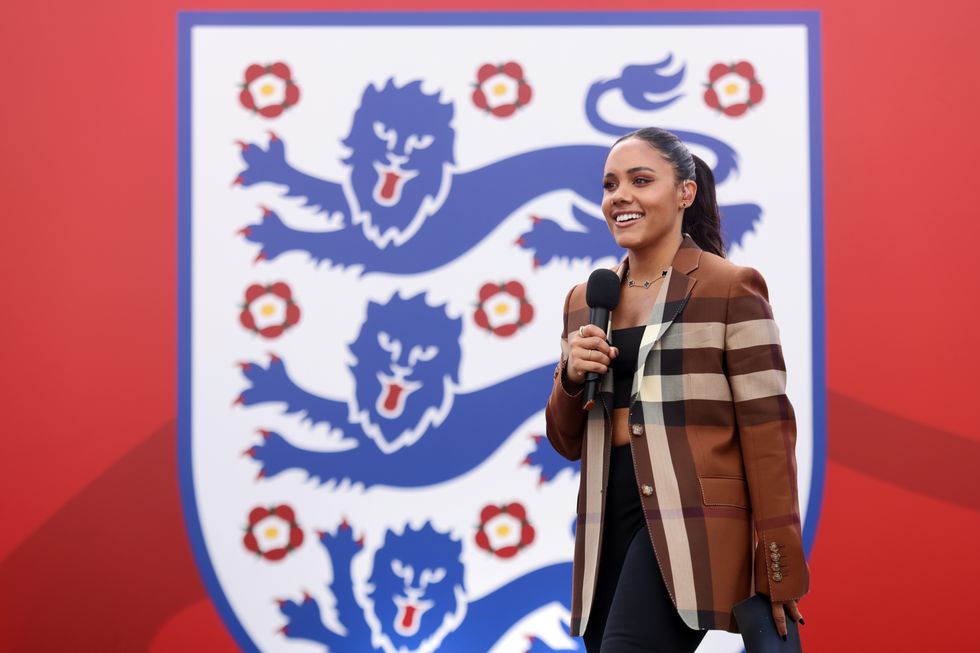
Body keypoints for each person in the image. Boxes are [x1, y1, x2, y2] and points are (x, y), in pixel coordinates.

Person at [545, 127, 809, 652]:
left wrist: (778, 562)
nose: (620, 196)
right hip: (605, 517)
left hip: (690, 516)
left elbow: (768, 433)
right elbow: (566, 440)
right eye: (610, 184)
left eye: (641, 180)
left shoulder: (731, 286)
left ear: (685, 193)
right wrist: (570, 378)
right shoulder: (585, 299)